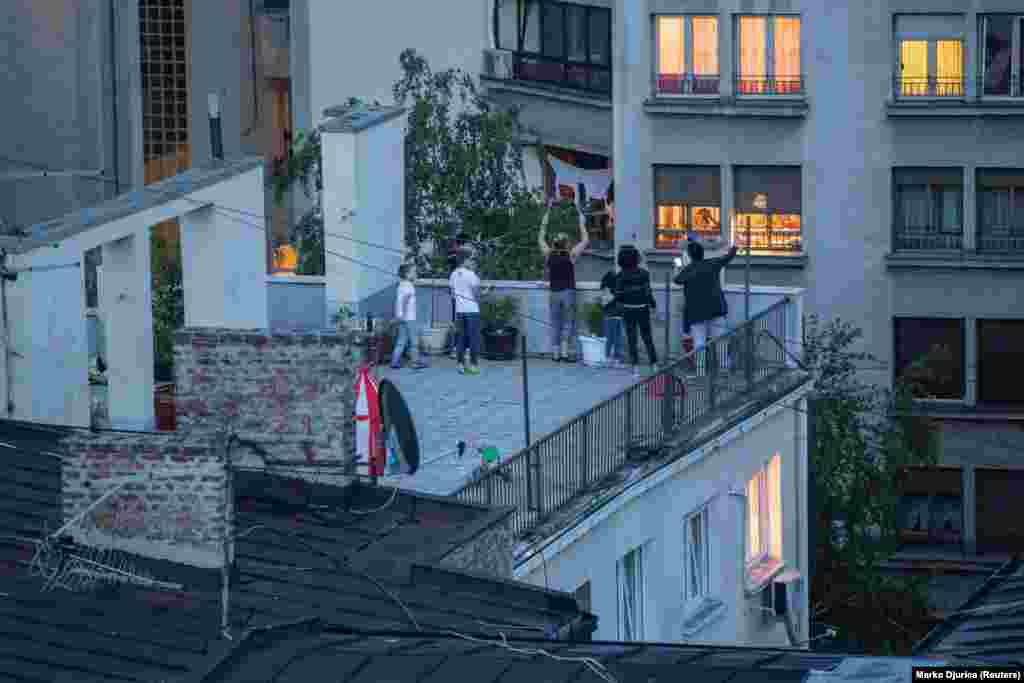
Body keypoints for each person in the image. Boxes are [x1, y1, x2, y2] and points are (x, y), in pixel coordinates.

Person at [673, 237, 738, 374]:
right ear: (703, 253)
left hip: (696, 312)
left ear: (689, 256)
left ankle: (700, 371)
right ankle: (724, 368)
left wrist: (678, 267)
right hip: (716, 308)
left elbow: (677, 280)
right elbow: (728, 257)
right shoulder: (712, 263)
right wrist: (735, 245)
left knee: (699, 342)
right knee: (720, 339)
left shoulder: (687, 270)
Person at [538, 198, 589, 362]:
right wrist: (581, 222)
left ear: (554, 243)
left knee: (555, 323)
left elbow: (540, 237)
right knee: (568, 322)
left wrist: (547, 214)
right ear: (566, 243)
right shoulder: (571, 254)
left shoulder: (548, 254)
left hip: (553, 293)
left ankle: (555, 354)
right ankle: (565, 353)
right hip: (568, 292)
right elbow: (586, 240)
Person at [614, 245, 658, 377]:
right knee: (647, 337)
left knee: (631, 338)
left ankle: (635, 368)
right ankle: (654, 364)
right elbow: (648, 292)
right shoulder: (644, 273)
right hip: (642, 308)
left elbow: (618, 295)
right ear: (636, 259)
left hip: (627, 309)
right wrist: (653, 305)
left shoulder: (620, 276)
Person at [449, 249, 483, 375]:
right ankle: (473, 365)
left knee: (461, 338)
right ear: (466, 260)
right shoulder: (471, 275)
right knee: (473, 338)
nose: (472, 261)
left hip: (459, 311)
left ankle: (460, 365)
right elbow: (476, 295)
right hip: (472, 310)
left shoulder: (453, 274)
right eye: (471, 259)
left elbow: (452, 294)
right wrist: (483, 294)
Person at [390, 264, 428, 370]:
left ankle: (394, 362)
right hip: (409, 318)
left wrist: (399, 316)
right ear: (407, 274)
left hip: (401, 318)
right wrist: (403, 315)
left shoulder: (401, 285)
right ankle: (415, 362)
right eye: (413, 272)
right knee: (414, 341)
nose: (415, 274)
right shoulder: (409, 286)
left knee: (401, 340)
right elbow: (405, 301)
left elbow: (399, 301)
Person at [599, 264, 625, 368]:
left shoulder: (608, 288)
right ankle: (611, 359)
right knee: (614, 339)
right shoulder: (610, 288)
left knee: (613, 339)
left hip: (613, 316)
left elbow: (604, 303)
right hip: (614, 315)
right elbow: (605, 302)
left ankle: (611, 359)